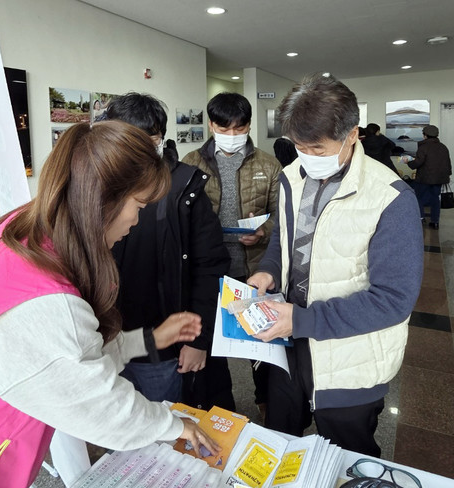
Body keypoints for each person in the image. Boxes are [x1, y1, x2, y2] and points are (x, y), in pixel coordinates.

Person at [0, 122, 220, 486]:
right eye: (138, 205)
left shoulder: (22, 233)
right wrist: (172, 426)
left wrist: (148, 340)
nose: (137, 220)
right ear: (101, 199)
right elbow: (101, 407)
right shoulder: (46, 302)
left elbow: (73, 354)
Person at [247, 74, 424, 457]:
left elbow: (393, 300)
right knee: (281, 445)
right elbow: (284, 239)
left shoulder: (390, 198)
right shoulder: (291, 177)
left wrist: (302, 320)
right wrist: (269, 270)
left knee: (346, 458)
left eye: (317, 148)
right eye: (299, 147)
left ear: (352, 134)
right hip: (289, 348)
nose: (308, 157)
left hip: (350, 360)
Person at [99, 93, 230, 407]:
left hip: (162, 345)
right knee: (114, 422)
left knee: (165, 422)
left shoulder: (185, 187)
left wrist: (198, 340)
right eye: (129, 140)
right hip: (105, 340)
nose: (140, 150)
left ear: (161, 139)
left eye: (150, 139)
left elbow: (209, 267)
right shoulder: (97, 183)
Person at [182, 92, 282, 414]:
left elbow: (283, 215)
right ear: (211, 125)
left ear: (249, 126)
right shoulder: (191, 163)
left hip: (252, 269)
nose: (232, 135)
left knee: (261, 342)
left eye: (239, 128)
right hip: (207, 271)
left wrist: (263, 231)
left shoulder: (268, 164)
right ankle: (219, 406)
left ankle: (266, 401)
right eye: (224, 128)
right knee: (210, 343)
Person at [404, 125, 451, 229]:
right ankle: (435, 222)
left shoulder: (423, 147)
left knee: (419, 198)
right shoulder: (443, 147)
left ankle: (421, 218)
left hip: (424, 178)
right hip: (439, 178)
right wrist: (447, 175)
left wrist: (408, 162)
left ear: (425, 135)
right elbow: (447, 163)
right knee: (435, 199)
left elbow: (418, 163)